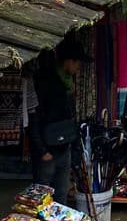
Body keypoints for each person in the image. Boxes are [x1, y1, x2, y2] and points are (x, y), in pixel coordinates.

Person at [29, 34, 87, 205]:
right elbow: (34, 118)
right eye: (77, 63)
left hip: (64, 147)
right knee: (42, 199)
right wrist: (42, 150)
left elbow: (69, 117)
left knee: (61, 196)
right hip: (47, 151)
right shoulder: (45, 83)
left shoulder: (67, 83)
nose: (79, 67)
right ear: (68, 61)